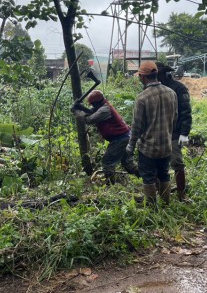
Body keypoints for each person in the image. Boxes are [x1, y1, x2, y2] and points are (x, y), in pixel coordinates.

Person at [126, 61, 177, 204]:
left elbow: (136, 126)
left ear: (142, 77)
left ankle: (151, 206)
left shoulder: (142, 98)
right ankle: (166, 203)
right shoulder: (171, 93)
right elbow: (175, 118)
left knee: (148, 177)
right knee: (164, 174)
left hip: (148, 148)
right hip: (166, 146)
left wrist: (131, 146)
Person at [72, 90, 138, 184]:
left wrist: (76, 111)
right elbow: (92, 112)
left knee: (107, 161)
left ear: (98, 102)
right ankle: (148, 178)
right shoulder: (103, 106)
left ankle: (111, 185)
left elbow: (89, 119)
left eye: (94, 105)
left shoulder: (105, 110)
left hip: (120, 139)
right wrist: (81, 107)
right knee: (127, 163)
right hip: (124, 136)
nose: (93, 107)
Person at [156, 62, 193, 201]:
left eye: (158, 74)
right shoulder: (153, 88)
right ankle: (160, 192)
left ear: (165, 74)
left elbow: (185, 111)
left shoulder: (178, 88)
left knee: (177, 163)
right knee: (156, 163)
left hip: (174, 132)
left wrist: (185, 133)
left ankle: (181, 194)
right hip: (157, 132)